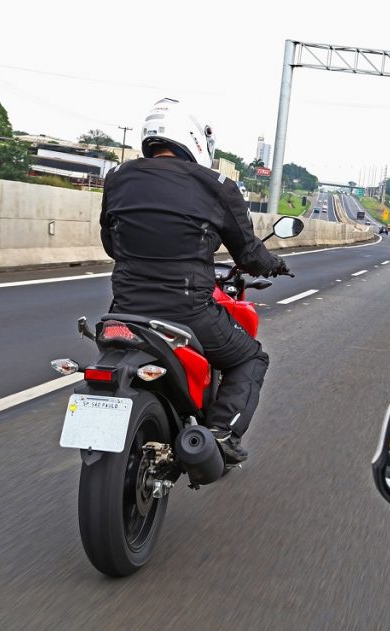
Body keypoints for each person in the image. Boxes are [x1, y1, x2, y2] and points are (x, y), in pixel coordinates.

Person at [99, 98, 290, 464]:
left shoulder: (117, 177)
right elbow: (248, 254)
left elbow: (111, 243)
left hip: (124, 310)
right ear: (194, 138)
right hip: (189, 312)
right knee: (251, 357)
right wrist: (274, 265)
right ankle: (221, 433)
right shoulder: (217, 185)